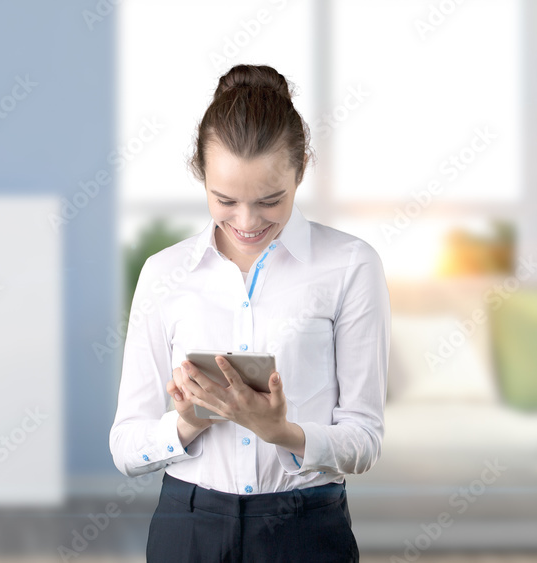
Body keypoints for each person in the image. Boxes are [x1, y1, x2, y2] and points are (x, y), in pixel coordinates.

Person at [108, 64, 390, 562]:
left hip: (305, 528)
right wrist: (190, 422)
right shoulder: (163, 273)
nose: (246, 221)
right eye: (225, 200)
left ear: (301, 167)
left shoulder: (350, 265)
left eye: (269, 201)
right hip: (187, 527)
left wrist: (281, 432)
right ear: (201, 176)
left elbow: (364, 439)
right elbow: (126, 447)